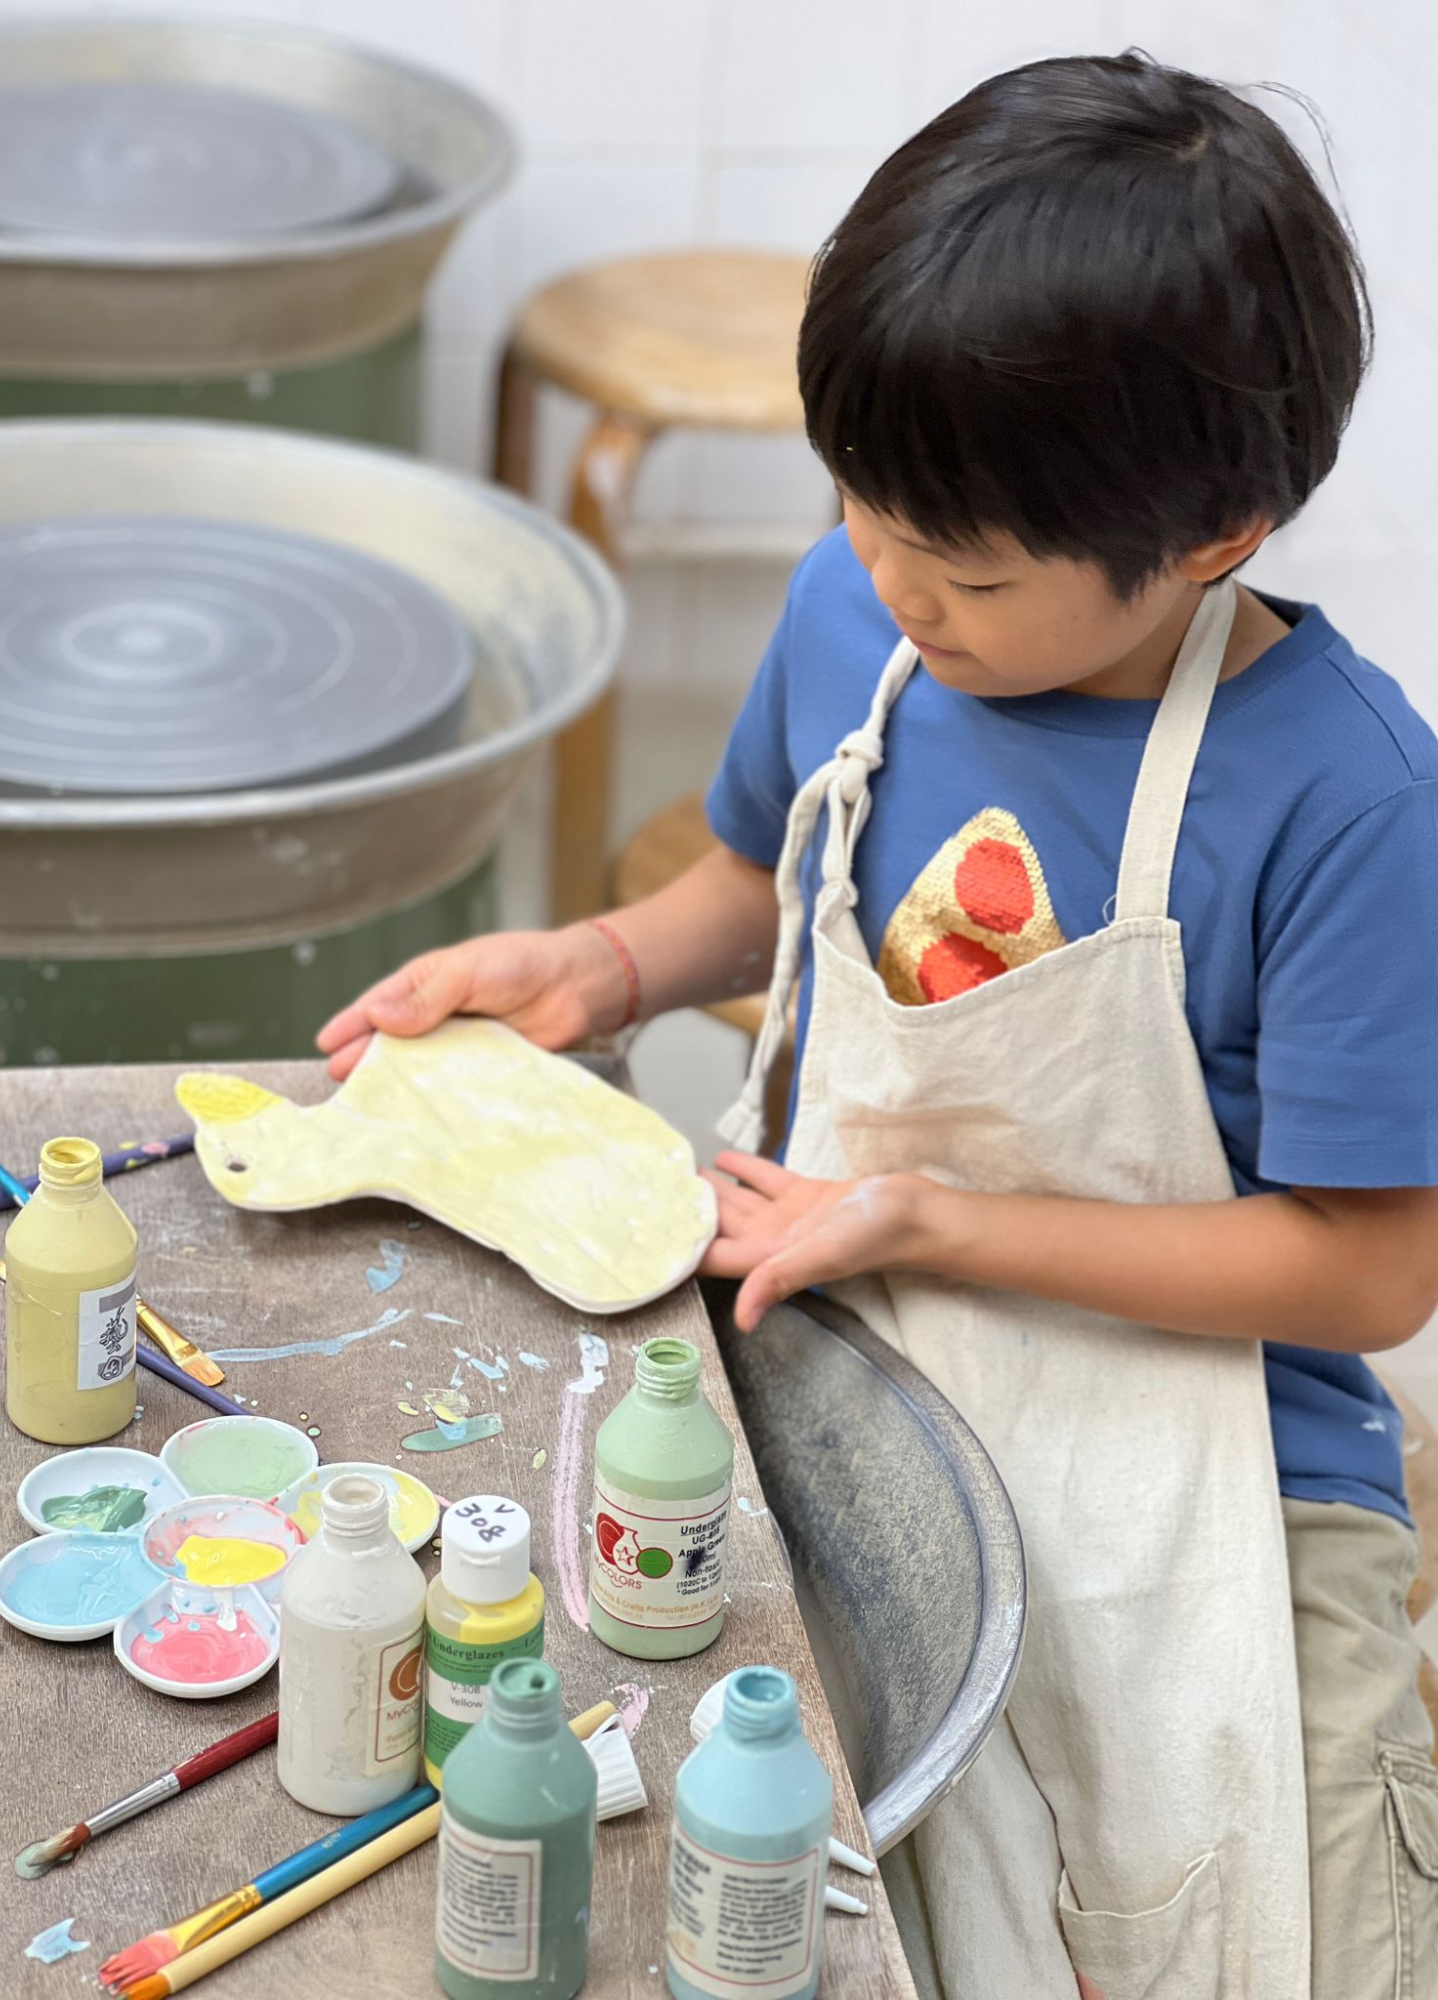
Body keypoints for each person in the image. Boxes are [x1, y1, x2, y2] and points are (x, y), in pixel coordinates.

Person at [319, 51, 1438, 2000]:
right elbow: (767, 874)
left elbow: (1367, 1273)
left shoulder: (1351, 803)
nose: (892, 580)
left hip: (1226, 1458)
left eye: (968, 567)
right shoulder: (860, 611)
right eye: (857, 503)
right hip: (844, 1329)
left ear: (1217, 532)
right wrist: (594, 965)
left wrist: (934, 1222)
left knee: (1304, 1940)